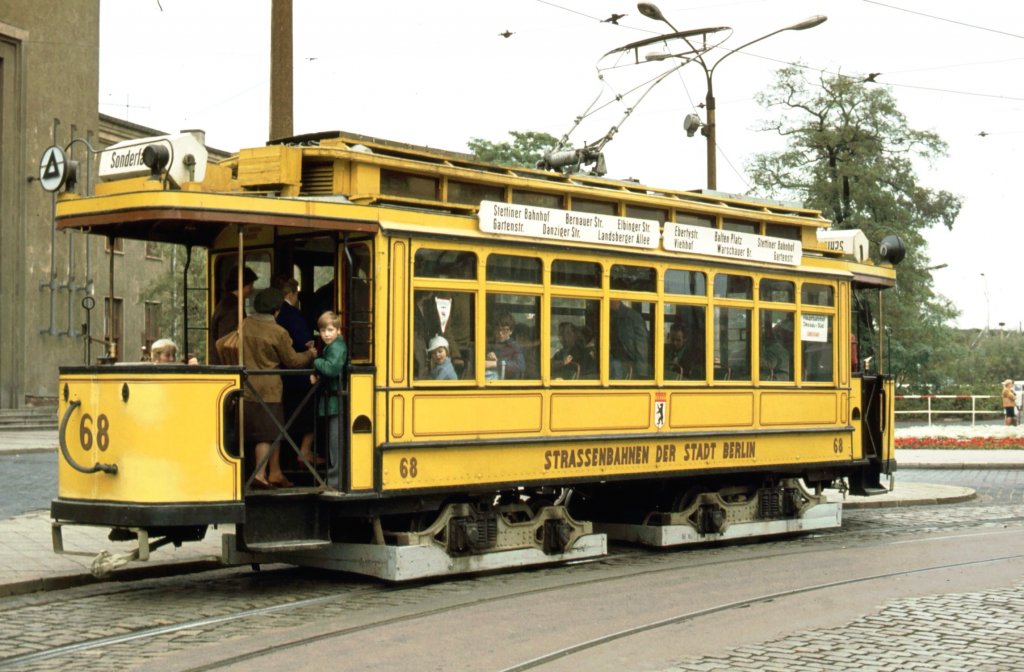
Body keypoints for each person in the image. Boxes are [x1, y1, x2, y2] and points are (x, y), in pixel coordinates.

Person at [242, 287, 317, 489]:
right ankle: (260, 475)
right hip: (270, 389)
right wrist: (311, 353)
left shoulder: (245, 325)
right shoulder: (278, 332)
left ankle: (273, 472)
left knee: (260, 432)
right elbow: (293, 361)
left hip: (247, 386)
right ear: (277, 310)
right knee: (268, 432)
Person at [272, 274, 318, 466]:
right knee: (311, 407)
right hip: (298, 371)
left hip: (281, 372)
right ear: (291, 294)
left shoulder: (275, 313)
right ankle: (305, 450)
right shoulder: (293, 314)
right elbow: (304, 341)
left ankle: (288, 455)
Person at [311, 311, 348, 488]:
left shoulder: (337, 347)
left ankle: (335, 481)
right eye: (322, 330)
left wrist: (316, 362)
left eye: (330, 330)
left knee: (336, 442)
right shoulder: (333, 347)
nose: (326, 334)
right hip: (333, 401)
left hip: (336, 401)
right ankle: (334, 478)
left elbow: (332, 368)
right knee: (334, 441)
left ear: (338, 331)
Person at [209, 265, 257, 364]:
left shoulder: (228, 302)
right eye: (250, 285)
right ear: (242, 285)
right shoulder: (231, 308)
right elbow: (227, 341)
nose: (252, 289)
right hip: (226, 365)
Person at [610, 299, 650, 379]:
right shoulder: (610, 315)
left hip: (627, 364)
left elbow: (642, 347)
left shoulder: (633, 317)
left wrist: (642, 373)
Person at [485, 312, 524, 380]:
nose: (500, 333)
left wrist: (496, 363)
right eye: (498, 329)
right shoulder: (489, 343)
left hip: (506, 385)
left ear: (511, 331)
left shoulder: (514, 346)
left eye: (504, 330)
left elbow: (520, 366)